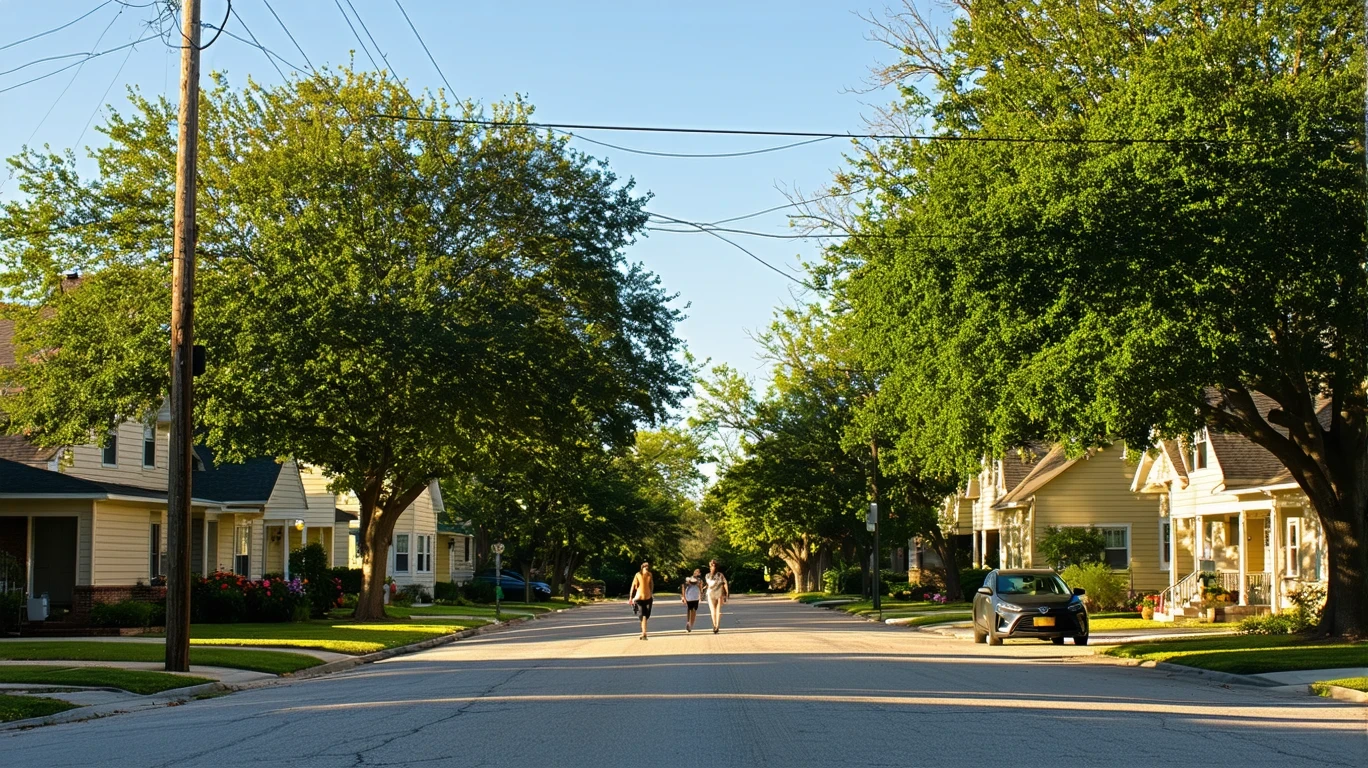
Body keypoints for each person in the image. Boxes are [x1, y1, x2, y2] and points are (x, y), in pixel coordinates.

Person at [629, 561, 655, 640]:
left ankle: (644, 631)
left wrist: (651, 593)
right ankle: (644, 633)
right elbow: (633, 585)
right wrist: (631, 596)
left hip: (648, 598)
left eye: (647, 567)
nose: (646, 568)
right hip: (639, 598)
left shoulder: (650, 575)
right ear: (642, 567)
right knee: (643, 615)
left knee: (646, 615)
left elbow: (651, 585)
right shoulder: (638, 575)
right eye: (645, 566)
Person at [704, 559, 729, 634]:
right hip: (717, 593)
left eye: (712, 566)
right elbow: (725, 583)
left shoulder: (708, 575)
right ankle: (716, 625)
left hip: (714, 593)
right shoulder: (720, 575)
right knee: (716, 610)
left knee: (714, 611)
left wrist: (727, 592)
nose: (712, 567)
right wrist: (727, 592)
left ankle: (715, 625)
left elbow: (709, 584)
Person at [681, 568, 702, 633]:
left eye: (698, 572)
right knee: (689, 609)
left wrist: (700, 596)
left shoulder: (699, 580)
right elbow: (683, 587)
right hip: (689, 596)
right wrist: (683, 597)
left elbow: (700, 588)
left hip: (696, 597)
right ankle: (688, 622)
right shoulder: (688, 579)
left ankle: (691, 624)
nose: (696, 573)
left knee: (694, 610)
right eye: (696, 571)